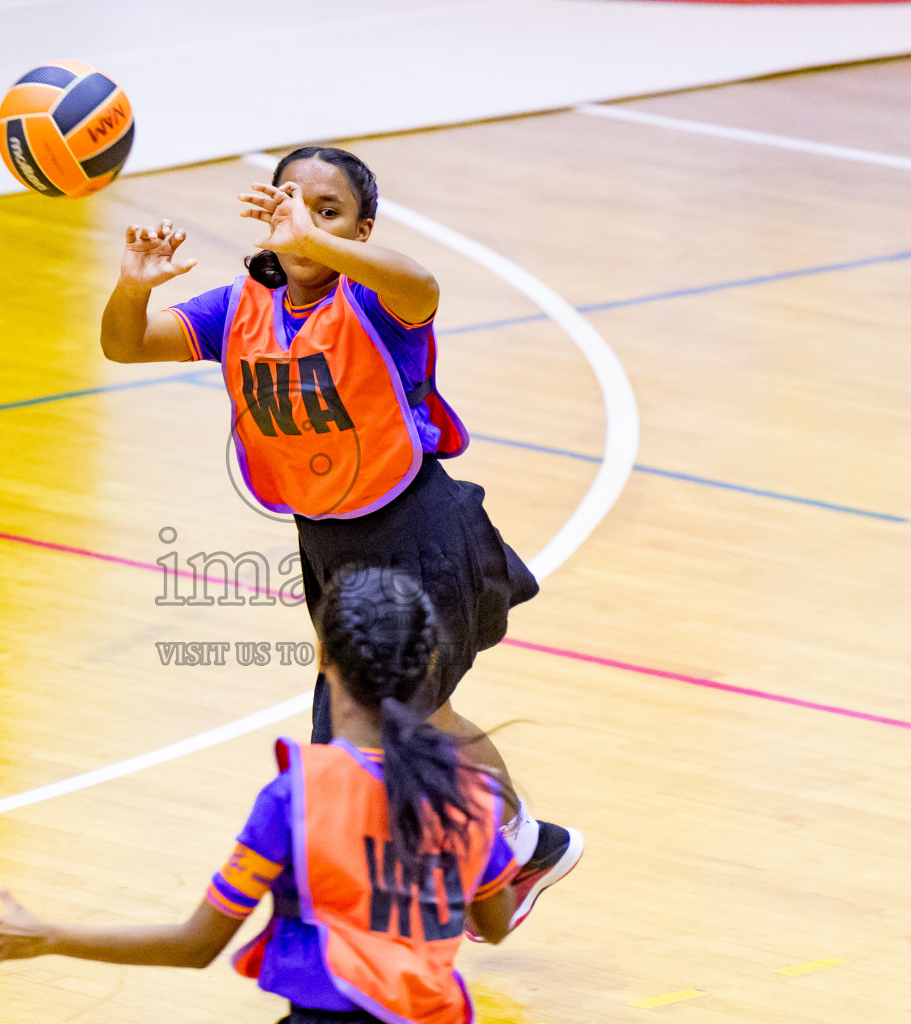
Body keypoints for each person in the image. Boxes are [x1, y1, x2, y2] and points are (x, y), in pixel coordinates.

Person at [97, 146, 579, 926]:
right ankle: (523, 845)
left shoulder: (379, 300)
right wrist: (131, 287)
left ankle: (398, 914)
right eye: (293, 203)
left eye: (330, 212)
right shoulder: (236, 309)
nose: (306, 222)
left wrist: (314, 243)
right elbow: (124, 344)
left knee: (364, 735)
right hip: (328, 545)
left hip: (417, 527)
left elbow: (422, 284)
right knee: (420, 714)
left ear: (362, 228)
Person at [0, 569, 523, 1024]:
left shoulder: (297, 796)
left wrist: (49, 935)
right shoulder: (469, 795)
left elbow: (195, 945)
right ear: (428, 667)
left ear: (324, 658)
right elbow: (495, 924)